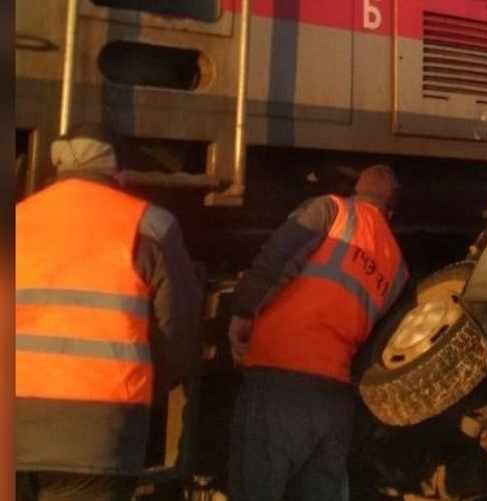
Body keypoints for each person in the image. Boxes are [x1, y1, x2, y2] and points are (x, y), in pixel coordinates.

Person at [15, 125, 204, 501]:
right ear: (117, 170)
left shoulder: (19, 218)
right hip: (98, 435)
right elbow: (178, 335)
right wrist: (144, 388)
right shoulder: (150, 225)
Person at [227, 164, 409, 501]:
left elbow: (275, 261)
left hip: (279, 378)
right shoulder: (398, 266)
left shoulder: (332, 210)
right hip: (333, 396)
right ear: (391, 212)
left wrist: (241, 313)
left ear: (356, 192)